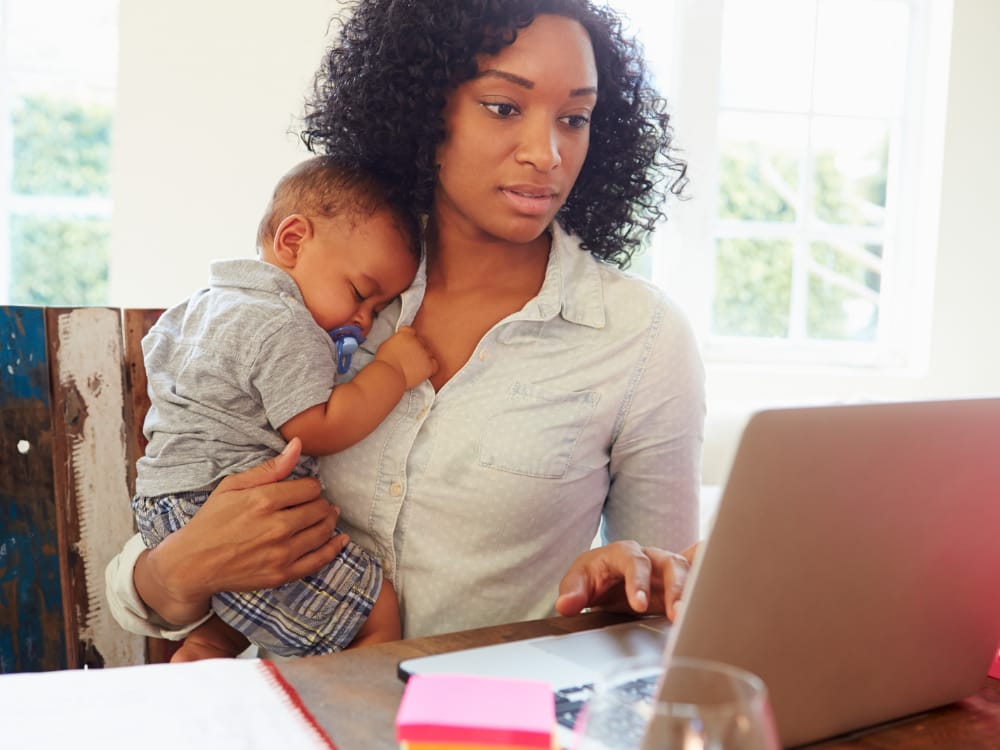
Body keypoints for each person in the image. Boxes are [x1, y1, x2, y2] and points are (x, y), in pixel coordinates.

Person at [105, 0, 705, 652]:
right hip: (281, 711)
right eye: (504, 107)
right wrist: (176, 573)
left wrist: (621, 593)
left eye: (575, 118)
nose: (547, 153)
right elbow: (161, 548)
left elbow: (664, 609)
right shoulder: (329, 289)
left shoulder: (641, 338)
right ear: (425, 108)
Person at [130, 155, 437, 660]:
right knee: (375, 611)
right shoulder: (285, 325)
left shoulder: (202, 305)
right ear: (293, 240)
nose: (362, 320)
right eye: (361, 294)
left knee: (239, 619)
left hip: (166, 504)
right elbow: (318, 427)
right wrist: (394, 371)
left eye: (379, 310)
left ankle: (205, 648)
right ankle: (353, 726)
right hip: (221, 504)